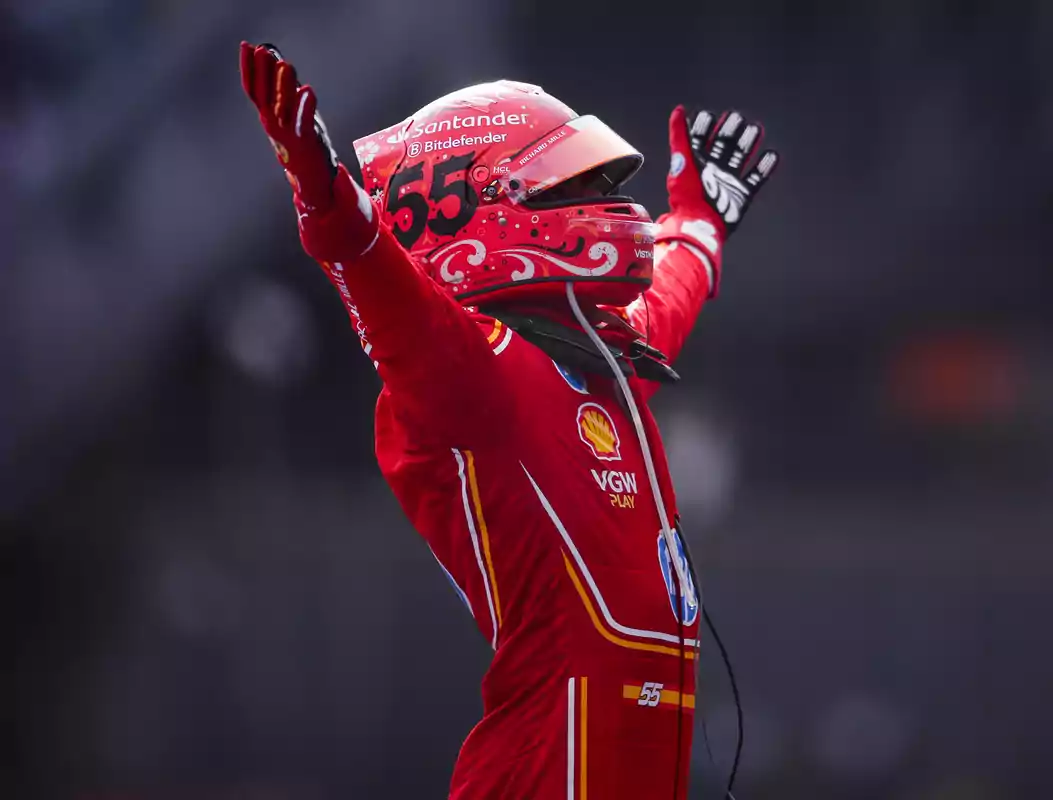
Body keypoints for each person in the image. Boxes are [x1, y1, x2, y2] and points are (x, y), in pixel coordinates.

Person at [239, 41, 777, 800]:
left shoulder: (598, 362)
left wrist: (698, 222)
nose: (604, 203)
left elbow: (670, 298)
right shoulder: (475, 378)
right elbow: (393, 302)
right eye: (570, 187)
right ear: (468, 207)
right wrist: (329, 202)